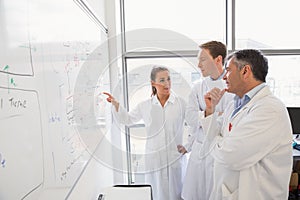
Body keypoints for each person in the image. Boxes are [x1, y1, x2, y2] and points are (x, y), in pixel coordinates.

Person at [201, 49, 293, 200]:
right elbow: (217, 134)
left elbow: (230, 156)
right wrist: (210, 111)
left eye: (228, 70)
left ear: (245, 71)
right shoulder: (235, 104)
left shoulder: (269, 109)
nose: (224, 77)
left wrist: (216, 142)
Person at [104, 65, 187, 200]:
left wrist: (187, 145)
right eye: (162, 80)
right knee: (157, 192)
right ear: (153, 83)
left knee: (176, 193)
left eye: (168, 79)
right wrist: (116, 104)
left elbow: (196, 123)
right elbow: (128, 119)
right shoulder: (145, 106)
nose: (167, 83)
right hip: (155, 158)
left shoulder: (180, 104)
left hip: (174, 158)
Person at [181, 41, 233, 200]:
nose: (198, 64)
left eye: (203, 59)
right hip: (200, 149)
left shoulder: (232, 86)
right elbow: (190, 117)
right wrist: (212, 113)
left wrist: (206, 115)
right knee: (195, 193)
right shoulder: (198, 87)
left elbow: (233, 120)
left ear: (218, 59)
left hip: (221, 150)